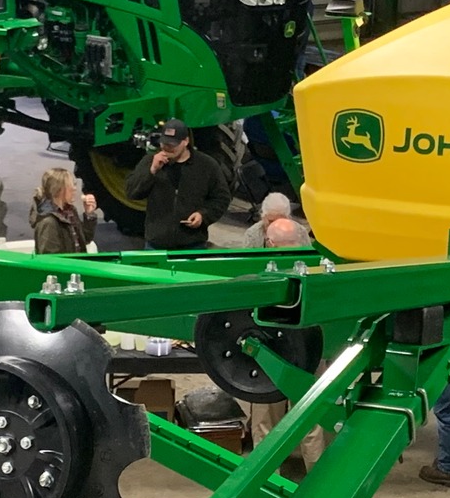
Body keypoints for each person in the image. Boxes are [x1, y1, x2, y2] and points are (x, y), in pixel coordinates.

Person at [245, 215, 330, 475]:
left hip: (270, 356)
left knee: (265, 423)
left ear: (270, 244)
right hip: (311, 353)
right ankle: (318, 480)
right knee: (310, 421)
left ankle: (263, 479)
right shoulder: (319, 267)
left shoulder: (263, 269)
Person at [126, 118, 231, 250]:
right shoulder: (150, 161)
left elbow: (221, 198)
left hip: (192, 245)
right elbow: (131, 192)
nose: (167, 148)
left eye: (172, 144)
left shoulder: (206, 165)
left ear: (186, 141)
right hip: (156, 245)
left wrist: (203, 215)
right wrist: (151, 170)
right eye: (165, 143)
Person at [31, 167, 98, 254]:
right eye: (71, 185)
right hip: (68, 266)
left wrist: (89, 214)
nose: (74, 189)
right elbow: (50, 261)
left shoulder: (70, 211)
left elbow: (85, 240)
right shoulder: (48, 222)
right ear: (59, 190)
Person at [240, 192, 307, 249]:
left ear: (288, 218)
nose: (275, 226)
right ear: (263, 217)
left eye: (280, 221)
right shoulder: (252, 235)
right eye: (271, 221)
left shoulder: (300, 232)